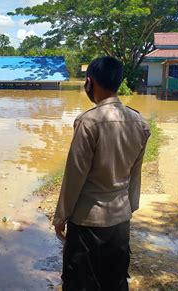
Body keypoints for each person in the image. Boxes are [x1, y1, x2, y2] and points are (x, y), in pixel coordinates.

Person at [53, 57, 150, 290]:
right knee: (114, 282)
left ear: (89, 82)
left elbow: (75, 176)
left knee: (80, 283)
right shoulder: (139, 122)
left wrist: (60, 217)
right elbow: (135, 174)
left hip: (88, 222)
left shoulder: (88, 122)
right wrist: (130, 207)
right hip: (120, 220)